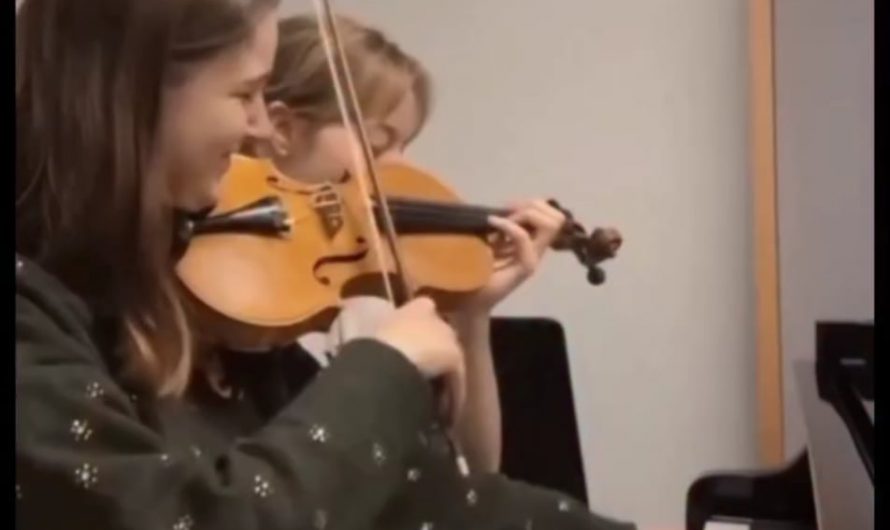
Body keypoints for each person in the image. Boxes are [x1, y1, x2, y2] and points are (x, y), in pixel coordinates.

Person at [15, 0, 637, 528]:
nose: (258, 125)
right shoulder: (33, 319)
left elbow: (426, 498)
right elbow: (200, 514)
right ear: (136, 94)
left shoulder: (180, 312)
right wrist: (382, 371)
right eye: (245, 92)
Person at [245, 13, 570, 475]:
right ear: (281, 129)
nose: (401, 175)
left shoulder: (376, 289)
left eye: (406, 147)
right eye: (379, 146)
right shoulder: (228, 292)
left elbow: (473, 477)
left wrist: (470, 316)